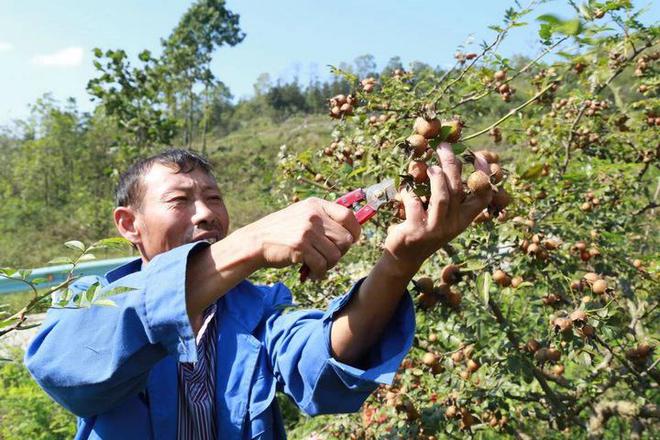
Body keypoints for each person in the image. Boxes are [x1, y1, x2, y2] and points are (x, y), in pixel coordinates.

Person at [25, 146, 491, 439]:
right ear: (130, 225)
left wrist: (399, 263)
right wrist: (247, 244)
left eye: (214, 198)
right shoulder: (91, 300)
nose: (206, 214)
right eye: (180, 201)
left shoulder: (259, 311)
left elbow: (323, 370)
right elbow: (69, 369)